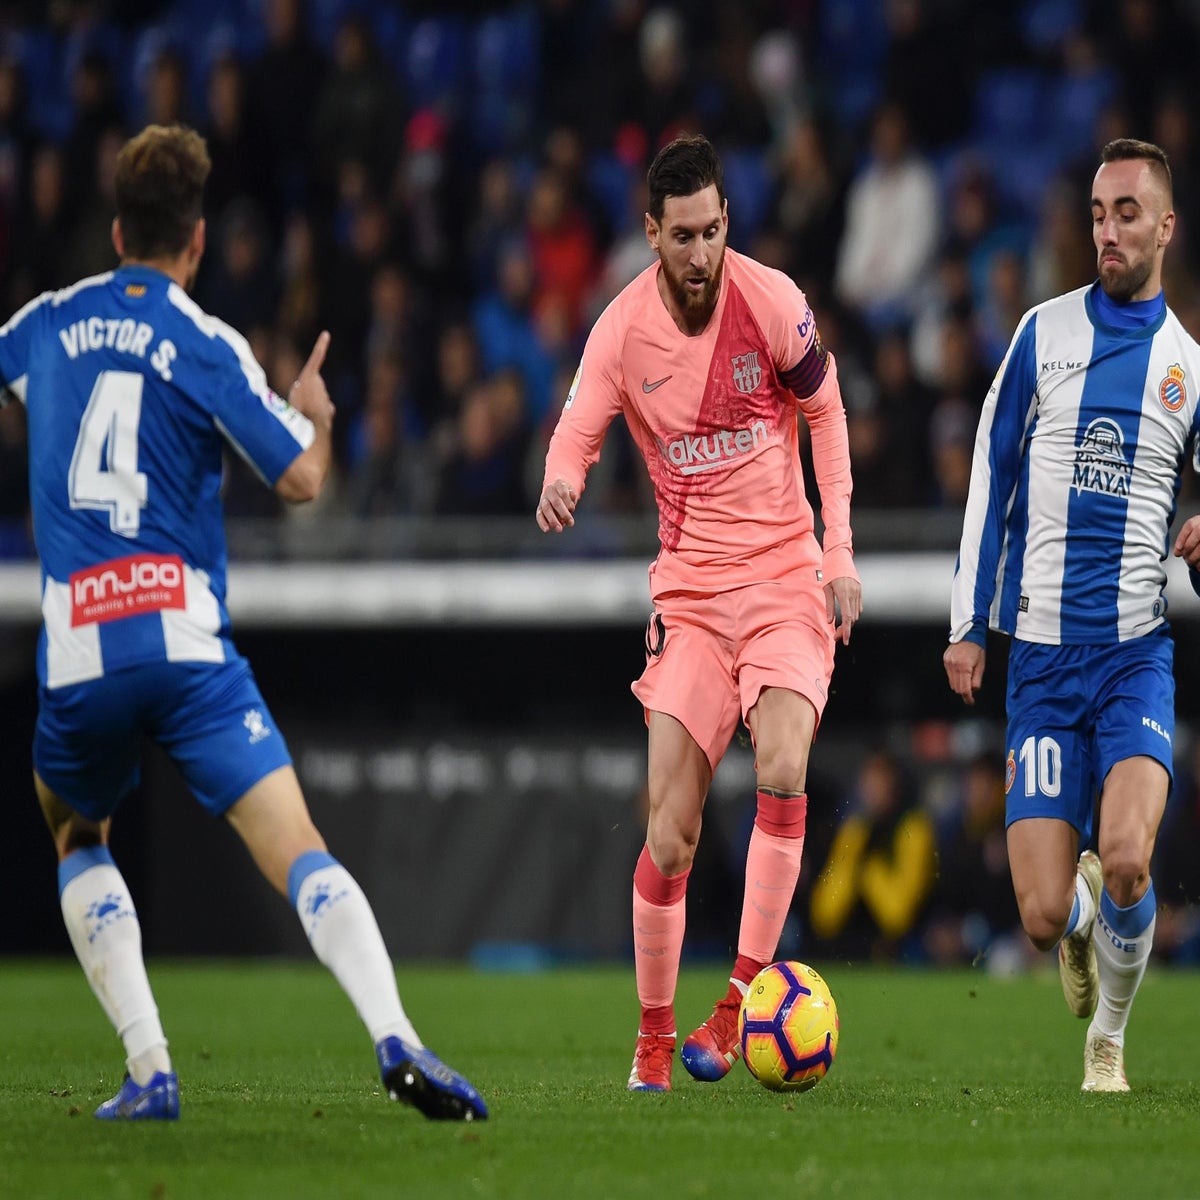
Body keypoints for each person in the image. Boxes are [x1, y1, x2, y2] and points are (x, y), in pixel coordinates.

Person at [0, 125, 486, 1122]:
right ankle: (398, 1035)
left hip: (82, 646)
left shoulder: (42, 324)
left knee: (73, 827)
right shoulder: (205, 341)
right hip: (184, 643)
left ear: (118, 227)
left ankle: (150, 1069)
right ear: (199, 240)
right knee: (298, 846)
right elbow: (304, 477)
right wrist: (314, 410)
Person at [536, 133, 861, 1092]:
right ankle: (652, 1039)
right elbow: (577, 428)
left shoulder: (774, 303)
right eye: (681, 236)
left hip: (784, 584)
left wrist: (838, 552)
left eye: (713, 231)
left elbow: (830, 414)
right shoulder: (621, 331)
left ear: (728, 224)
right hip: (689, 598)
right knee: (670, 832)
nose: (700, 252)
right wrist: (561, 480)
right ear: (651, 233)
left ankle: (740, 1002)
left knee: (788, 762)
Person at [944, 138, 1200, 1093]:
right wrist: (972, 621)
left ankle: (1110, 1043)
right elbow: (990, 472)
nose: (1108, 229)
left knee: (1130, 857)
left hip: (1135, 653)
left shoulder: (1188, 370)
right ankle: (1084, 926)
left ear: (1166, 226)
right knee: (1044, 915)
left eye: (1128, 212)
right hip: (1043, 665)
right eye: (1098, 212)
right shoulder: (1042, 334)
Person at [807, 748, 936, 961]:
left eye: (880, 781)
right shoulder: (855, 830)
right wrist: (854, 858)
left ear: (895, 785)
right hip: (852, 949)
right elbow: (825, 915)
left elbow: (898, 917)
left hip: (907, 952)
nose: (872, 790)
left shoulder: (913, 828)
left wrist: (868, 869)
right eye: (869, 781)